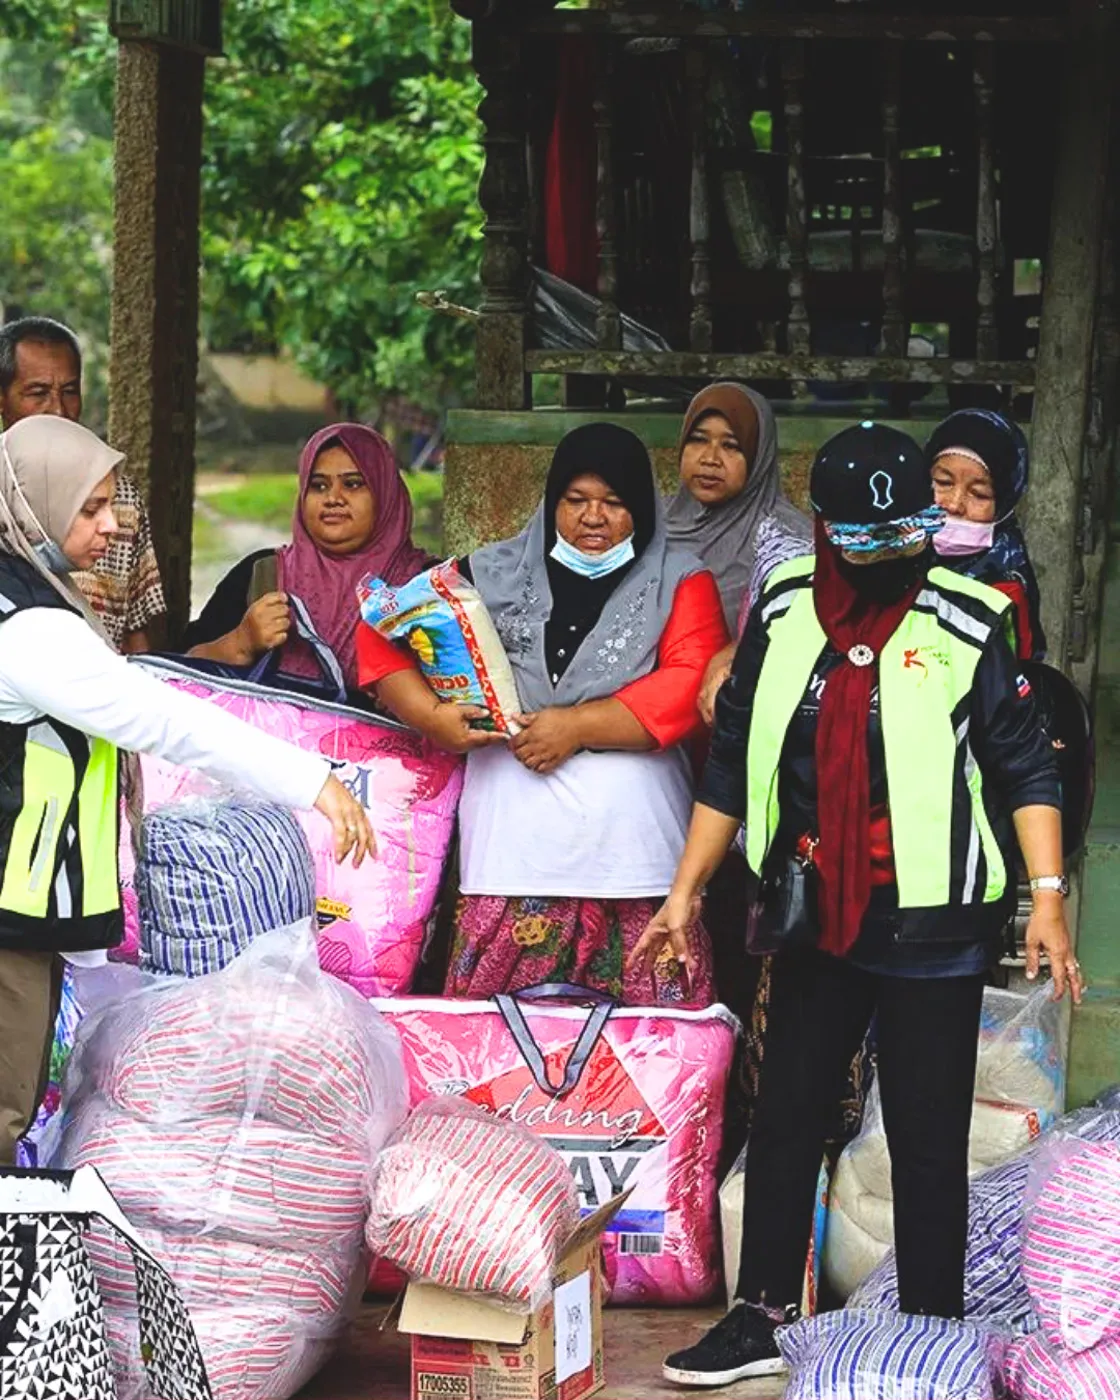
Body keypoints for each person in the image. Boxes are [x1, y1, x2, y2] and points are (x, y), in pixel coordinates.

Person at [632, 422, 1079, 1386]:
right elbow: (730, 757)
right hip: (812, 913)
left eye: (904, 532)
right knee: (787, 1114)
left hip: (935, 921)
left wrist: (1045, 897)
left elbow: (1023, 766)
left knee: (925, 1133)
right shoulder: (785, 608)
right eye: (865, 538)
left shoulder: (967, 618)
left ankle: (927, 1329)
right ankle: (757, 1322)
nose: (891, 555)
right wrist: (684, 892)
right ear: (827, 528)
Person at [0, 415, 373, 1165]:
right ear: (33, 504)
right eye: (90, 507)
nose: (112, 527)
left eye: (114, 504)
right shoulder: (30, 629)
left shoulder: (24, 595)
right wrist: (312, 780)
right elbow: (164, 719)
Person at [360, 423, 729, 1003]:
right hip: (511, 860)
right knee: (501, 1054)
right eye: (575, 500)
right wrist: (432, 716)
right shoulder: (490, 572)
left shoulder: (682, 580)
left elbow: (689, 685)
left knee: (643, 1058)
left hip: (635, 865)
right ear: (552, 500)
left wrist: (576, 727)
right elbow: (381, 632)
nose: (593, 518)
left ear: (643, 508)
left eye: (614, 503)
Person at [184, 422, 432, 691]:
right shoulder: (263, 574)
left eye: (353, 484)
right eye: (318, 486)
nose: (333, 498)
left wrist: (410, 698)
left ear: (386, 496)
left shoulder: (429, 587)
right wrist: (240, 643)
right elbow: (179, 669)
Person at [0, 316, 166, 654]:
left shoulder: (121, 498)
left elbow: (139, 631)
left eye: (69, 391)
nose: (58, 409)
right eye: (38, 392)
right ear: (1, 400)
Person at [665, 384, 811, 727]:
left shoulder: (789, 542)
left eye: (731, 446)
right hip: (655, 709)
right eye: (698, 440)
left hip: (732, 715)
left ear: (758, 455)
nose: (710, 459)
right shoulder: (652, 524)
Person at [926, 407, 1045, 660]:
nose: (955, 504)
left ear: (1003, 505)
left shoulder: (1005, 587)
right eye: (944, 483)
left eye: (979, 494)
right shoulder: (890, 552)